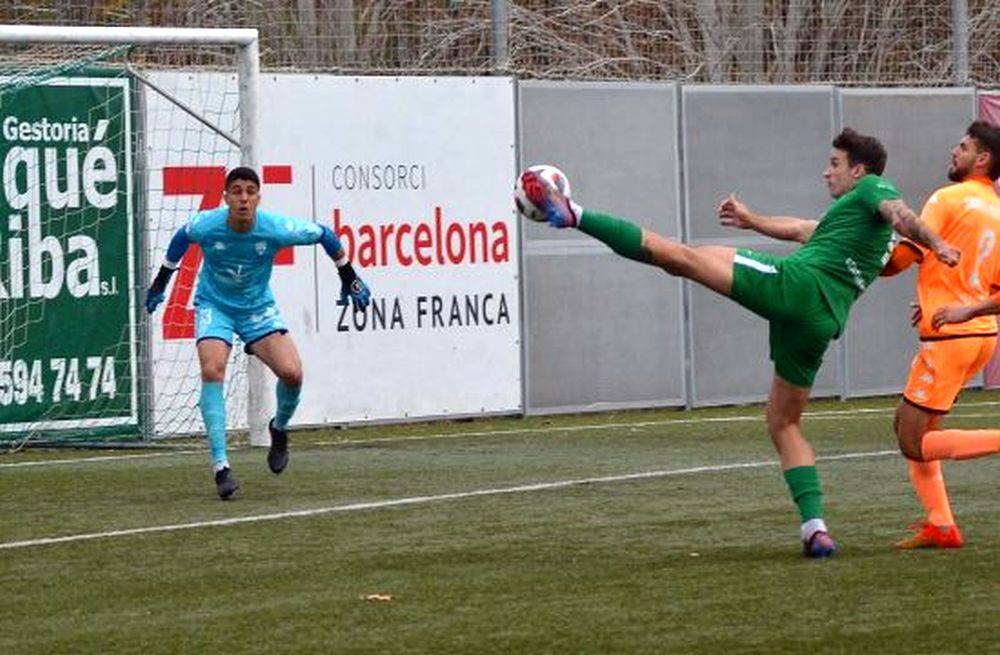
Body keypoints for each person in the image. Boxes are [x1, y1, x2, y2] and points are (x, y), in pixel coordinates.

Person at [518, 128, 959, 557]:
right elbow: (803, 229)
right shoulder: (857, 224)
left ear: (859, 171)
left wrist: (936, 243)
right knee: (783, 422)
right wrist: (752, 221)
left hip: (797, 286)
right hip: (819, 323)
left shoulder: (874, 190)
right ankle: (815, 529)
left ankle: (575, 214)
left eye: (835, 164)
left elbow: (900, 213)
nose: (827, 172)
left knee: (682, 257)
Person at [145, 167, 371, 499]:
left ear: (258, 198)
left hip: (257, 309)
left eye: (250, 191)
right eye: (236, 191)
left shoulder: (274, 228)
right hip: (215, 306)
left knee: (293, 373)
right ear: (226, 197)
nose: (243, 198)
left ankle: (278, 429)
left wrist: (348, 276)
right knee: (212, 369)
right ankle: (221, 467)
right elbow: (181, 238)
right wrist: (160, 284)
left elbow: (325, 234)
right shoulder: (208, 224)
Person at [879, 120, 1000, 548]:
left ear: (981, 158)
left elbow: (901, 258)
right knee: (906, 424)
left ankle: (943, 523)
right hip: (978, 336)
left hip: (951, 340)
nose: (954, 151)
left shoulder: (947, 198)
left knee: (914, 441)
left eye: (963, 146)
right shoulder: (997, 211)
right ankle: (942, 526)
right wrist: (959, 305)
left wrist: (855, 254)